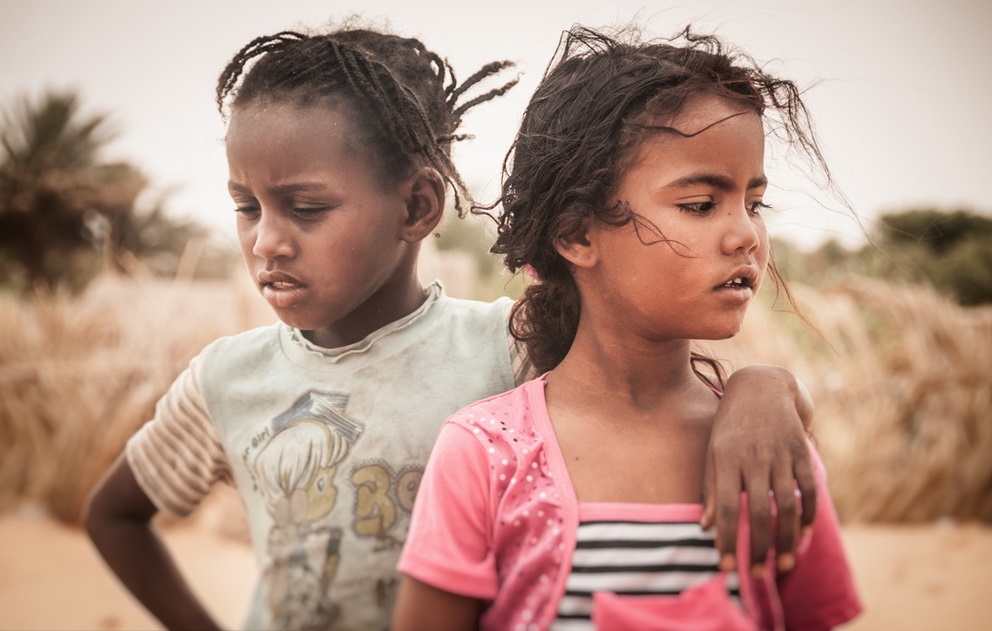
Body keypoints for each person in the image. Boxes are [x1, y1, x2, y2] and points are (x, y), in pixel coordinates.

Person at [85, 22, 820, 631]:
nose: (266, 241)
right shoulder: (226, 379)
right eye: (248, 205)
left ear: (417, 208)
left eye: (305, 208)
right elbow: (114, 515)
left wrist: (762, 386)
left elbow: (646, 376)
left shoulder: (507, 346)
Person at [393, 25, 863, 631]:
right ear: (578, 235)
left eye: (755, 202)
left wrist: (769, 386)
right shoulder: (488, 453)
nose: (746, 234)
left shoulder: (768, 452)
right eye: (700, 205)